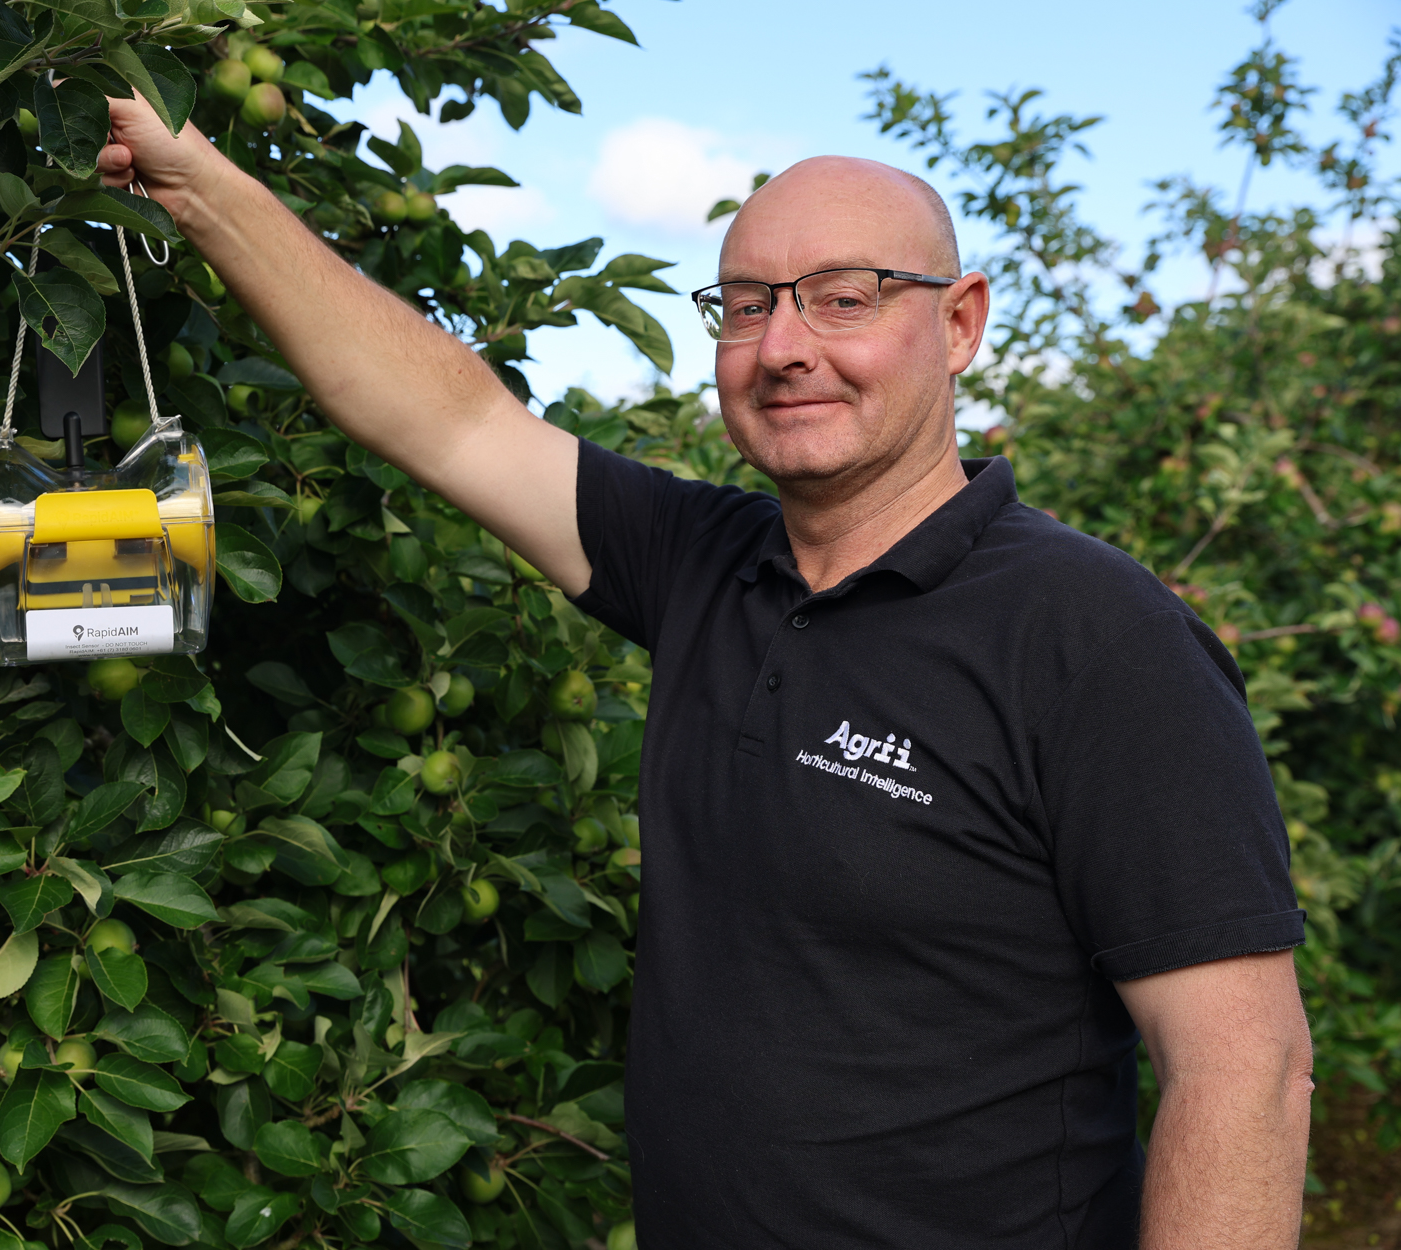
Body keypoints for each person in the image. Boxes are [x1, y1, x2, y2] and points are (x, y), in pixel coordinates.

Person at [99, 93, 1313, 1248]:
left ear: (959, 323)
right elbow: (448, 418)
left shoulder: (1095, 639)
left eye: (845, 298)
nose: (784, 346)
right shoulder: (703, 564)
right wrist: (199, 186)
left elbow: (1242, 1067)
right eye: (744, 305)